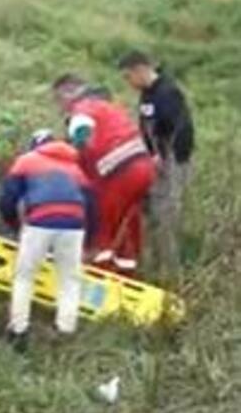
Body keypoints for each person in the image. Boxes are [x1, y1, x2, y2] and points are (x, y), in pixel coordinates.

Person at [0, 129, 94, 350]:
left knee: (25, 277)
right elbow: (91, 205)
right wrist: (91, 239)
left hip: (40, 220)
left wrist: (14, 225)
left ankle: (18, 330)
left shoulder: (26, 161)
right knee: (69, 280)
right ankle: (65, 331)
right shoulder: (75, 169)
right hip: (74, 223)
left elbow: (8, 198)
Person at [52, 74, 156, 276]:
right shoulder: (110, 108)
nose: (60, 106)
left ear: (69, 93)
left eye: (59, 99)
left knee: (101, 228)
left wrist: (73, 149)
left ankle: (98, 277)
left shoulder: (83, 107)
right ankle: (127, 274)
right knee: (127, 226)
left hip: (117, 172)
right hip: (143, 166)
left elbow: (81, 130)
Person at [118, 50, 195, 272]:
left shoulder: (168, 93)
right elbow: (147, 128)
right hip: (151, 164)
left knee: (165, 217)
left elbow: (182, 130)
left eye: (128, 76)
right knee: (147, 213)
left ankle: (169, 271)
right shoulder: (147, 94)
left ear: (140, 70)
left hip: (172, 164)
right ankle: (149, 264)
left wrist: (166, 157)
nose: (128, 82)